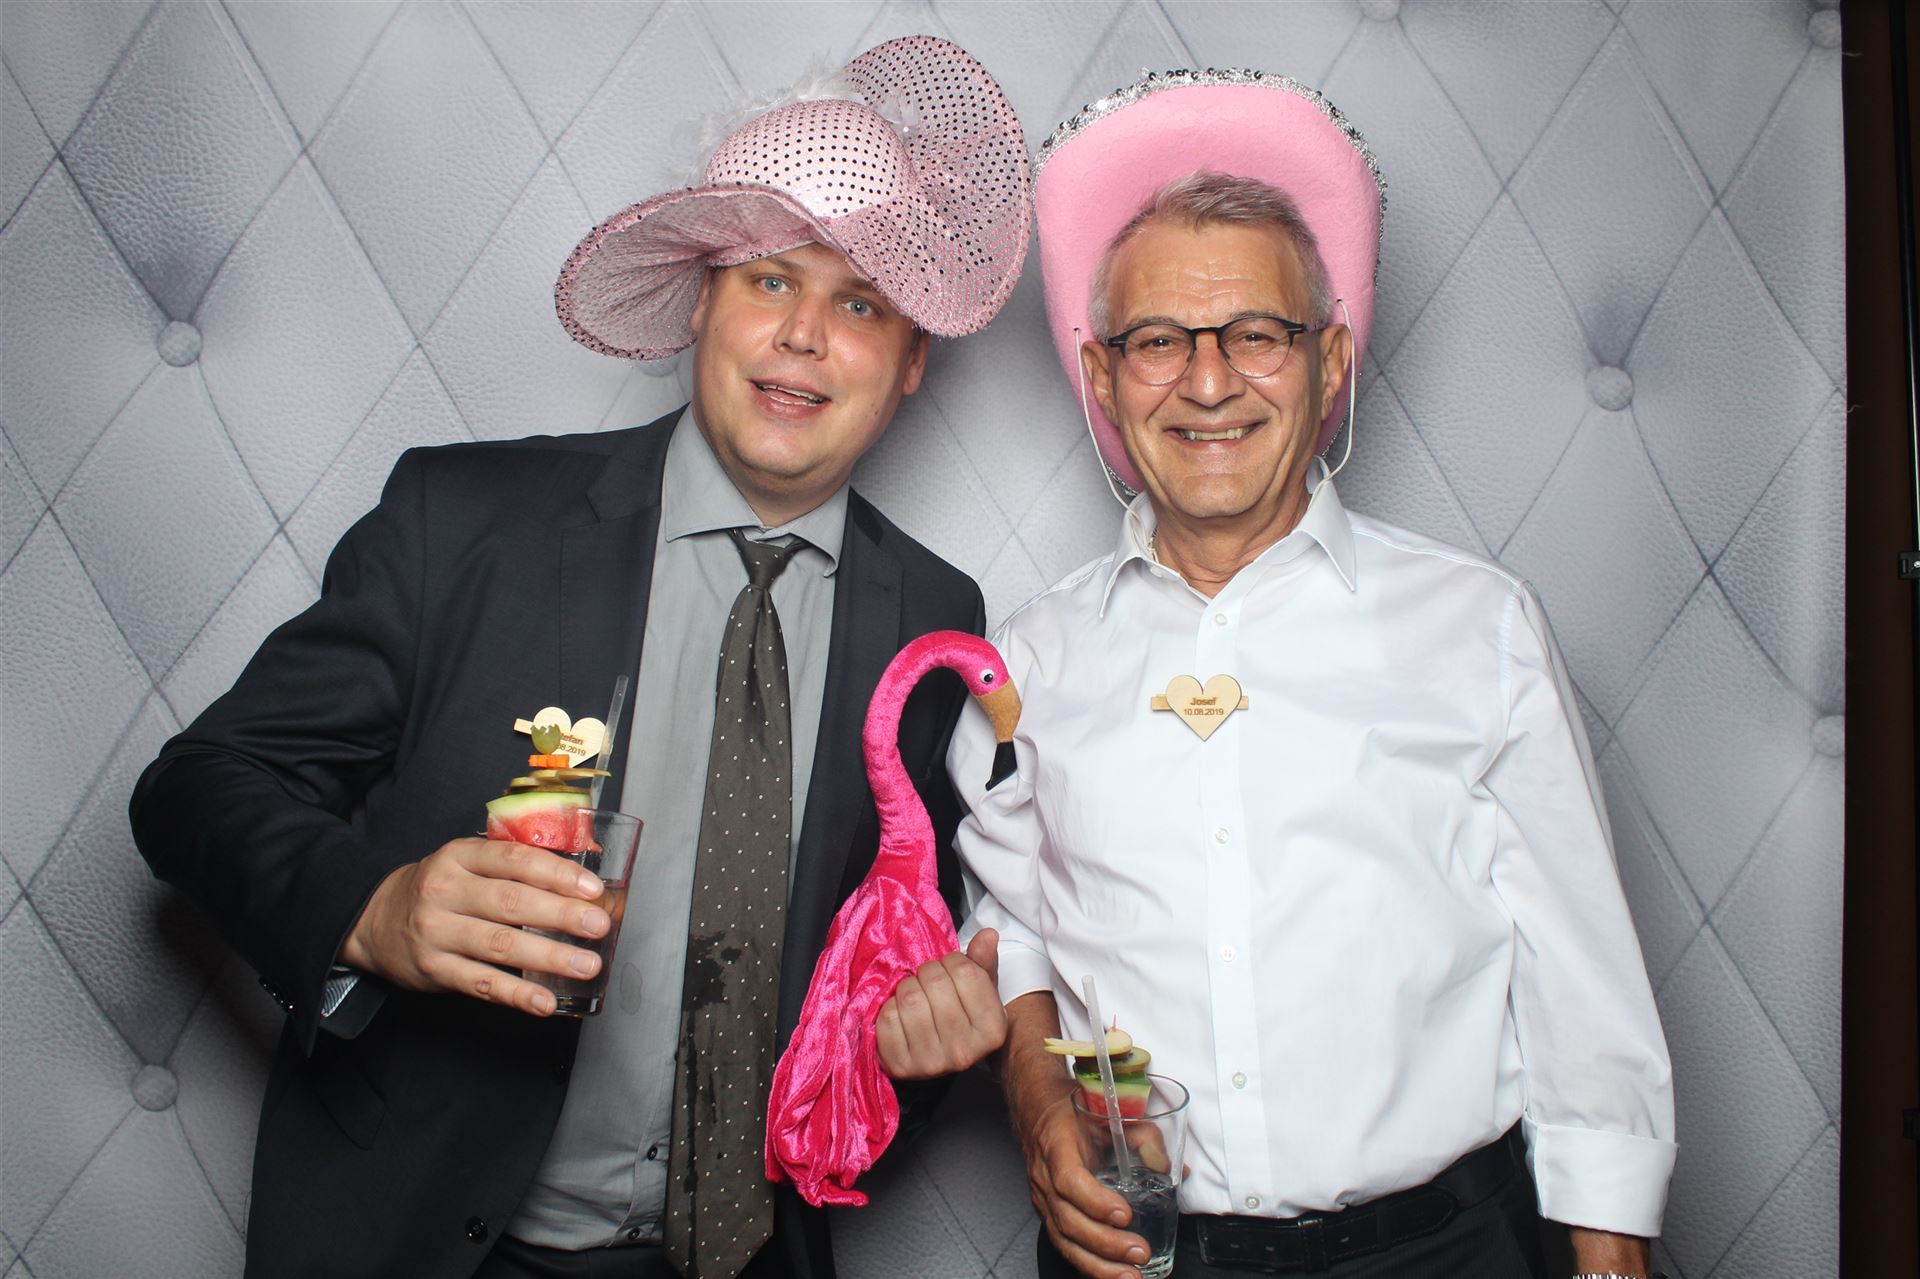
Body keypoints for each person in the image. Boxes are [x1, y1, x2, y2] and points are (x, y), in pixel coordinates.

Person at [131, 36, 1027, 1279]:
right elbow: (196, 788)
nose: (805, 334)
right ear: (701, 301)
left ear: (913, 359)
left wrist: (907, 1056)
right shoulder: (462, 521)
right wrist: (371, 912)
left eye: (862, 302)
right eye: (770, 279)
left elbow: (874, 970)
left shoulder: (933, 615)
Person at [949, 70, 1676, 1279]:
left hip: (1442, 1252)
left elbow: (1581, 990)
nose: (1209, 383)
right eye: (1158, 341)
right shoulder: (1026, 658)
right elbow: (1014, 921)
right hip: (1138, 1256)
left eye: (1256, 334)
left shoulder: (1479, 627)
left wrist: (1610, 1264)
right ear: (1104, 378)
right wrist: (1037, 1107)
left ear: (1329, 362)